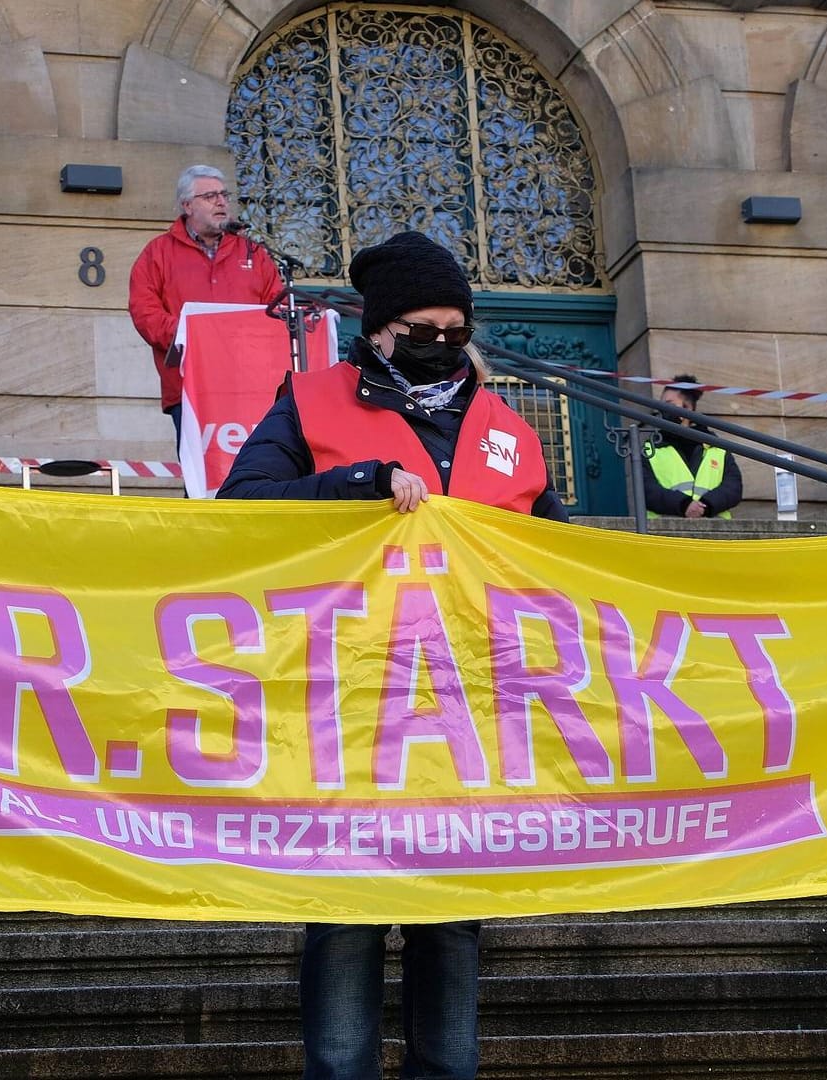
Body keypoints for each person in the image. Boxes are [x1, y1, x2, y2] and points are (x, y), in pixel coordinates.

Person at [220, 230, 566, 1079]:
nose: (443, 343)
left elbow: (563, 561)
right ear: (378, 330)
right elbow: (243, 507)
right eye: (423, 328)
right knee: (347, 919)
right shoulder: (312, 401)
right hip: (351, 707)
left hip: (473, 717)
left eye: (456, 329)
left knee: (452, 931)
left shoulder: (508, 431)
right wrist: (354, 487)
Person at [127, 164, 283, 446]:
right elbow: (144, 311)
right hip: (190, 388)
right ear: (187, 205)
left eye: (224, 195)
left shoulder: (254, 252)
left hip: (251, 386)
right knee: (203, 481)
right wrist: (193, 333)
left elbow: (278, 308)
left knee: (257, 473)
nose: (222, 201)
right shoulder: (158, 253)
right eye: (210, 196)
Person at [642, 377, 741, 519]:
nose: (662, 410)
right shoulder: (650, 449)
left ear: (687, 408)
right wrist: (684, 505)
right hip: (666, 534)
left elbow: (733, 489)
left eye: (668, 404)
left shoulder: (717, 448)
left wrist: (705, 506)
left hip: (715, 532)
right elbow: (647, 491)